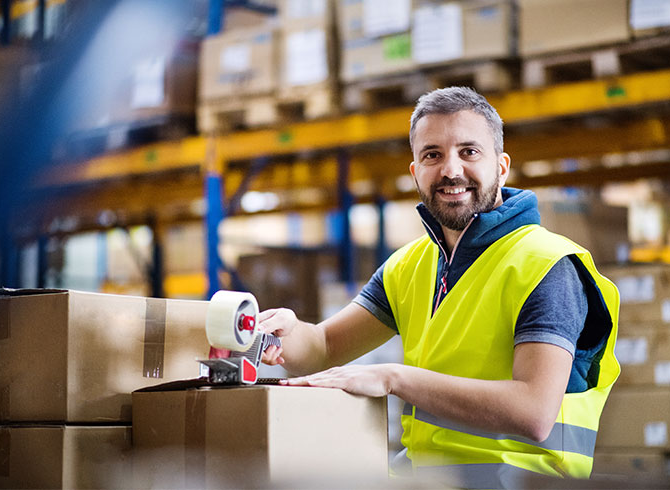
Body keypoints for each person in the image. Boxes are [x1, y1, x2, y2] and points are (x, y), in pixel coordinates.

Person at [258, 86, 620, 489]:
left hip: (518, 482)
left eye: (469, 152)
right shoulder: (409, 266)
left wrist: (395, 378)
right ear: (415, 171)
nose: (451, 170)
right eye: (433, 155)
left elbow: (533, 412)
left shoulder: (545, 265)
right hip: (431, 480)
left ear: (501, 167)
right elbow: (324, 346)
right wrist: (288, 335)